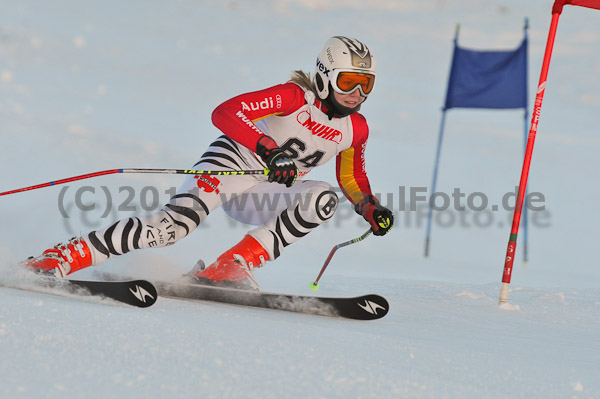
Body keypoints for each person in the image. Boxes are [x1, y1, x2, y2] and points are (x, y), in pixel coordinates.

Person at [23, 36, 394, 290]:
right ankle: (61, 256)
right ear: (326, 75)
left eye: (367, 84)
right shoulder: (294, 97)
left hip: (264, 191)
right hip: (232, 163)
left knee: (323, 198)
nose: (357, 93)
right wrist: (267, 147)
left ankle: (229, 267)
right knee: (172, 229)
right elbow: (226, 112)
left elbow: (351, 175)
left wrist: (368, 206)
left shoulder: (355, 128)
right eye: (349, 82)